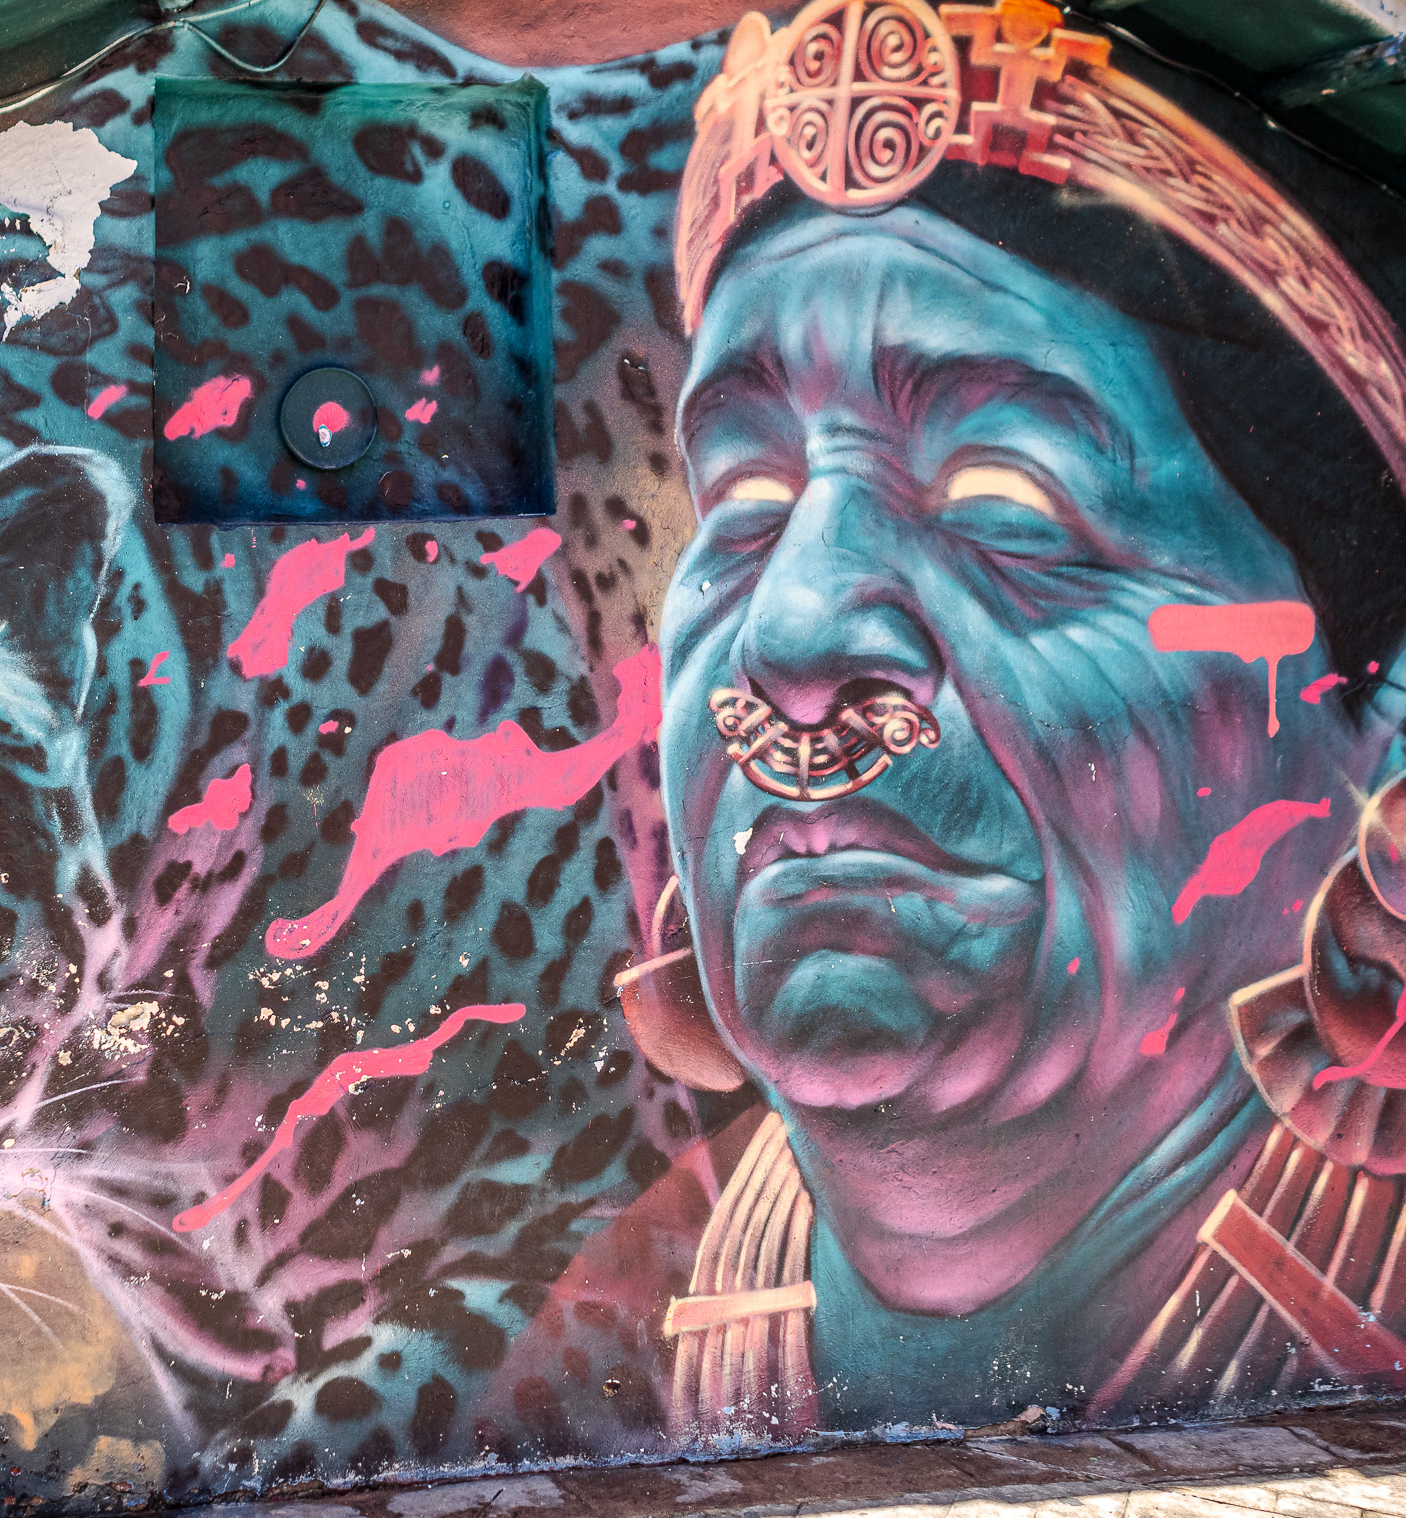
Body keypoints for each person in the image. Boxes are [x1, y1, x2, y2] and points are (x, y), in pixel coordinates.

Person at [596, 0, 1406, 1442]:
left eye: (1006, 498)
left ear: (1372, 715)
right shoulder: (597, 1323)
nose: (792, 636)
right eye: (747, 500)